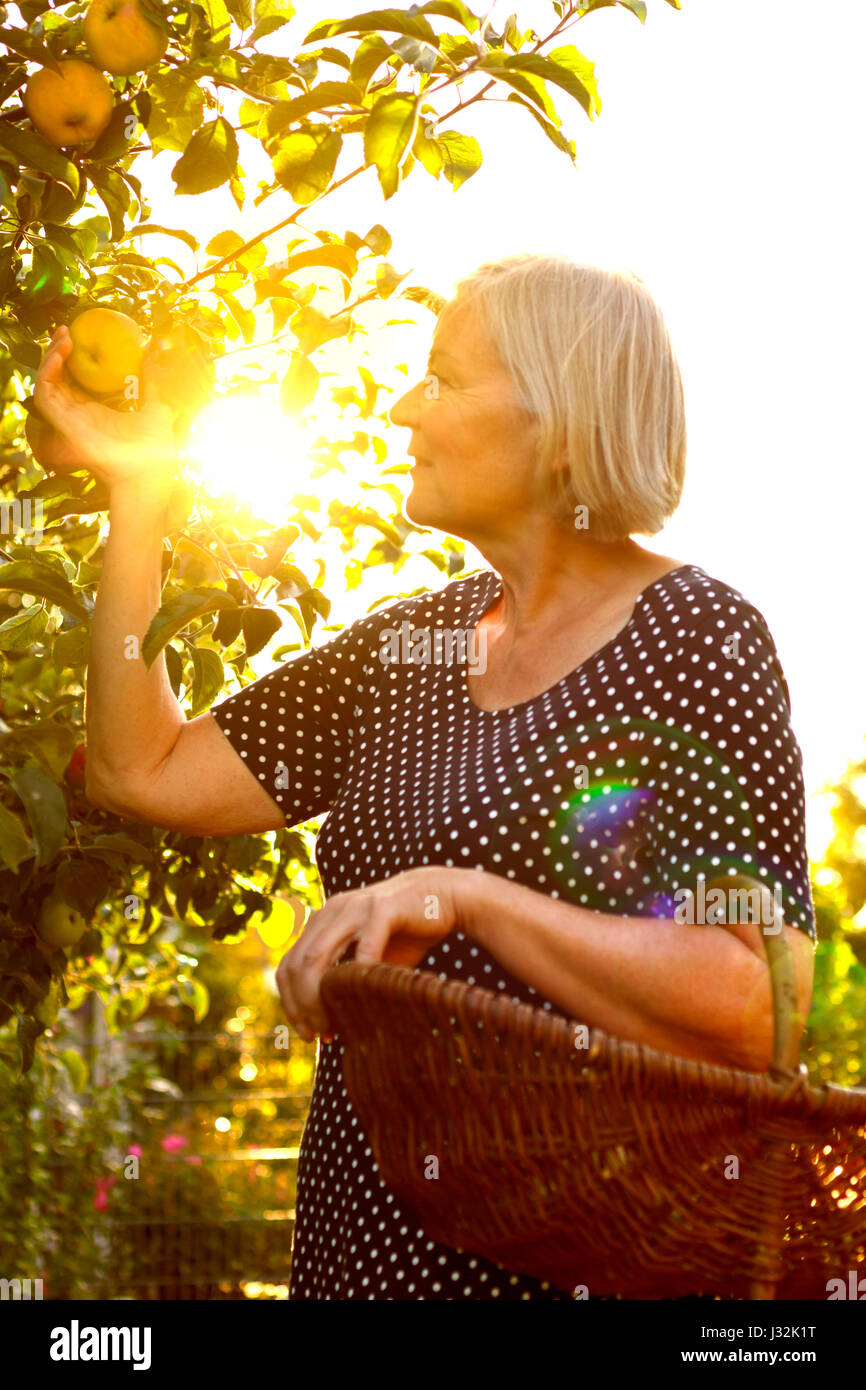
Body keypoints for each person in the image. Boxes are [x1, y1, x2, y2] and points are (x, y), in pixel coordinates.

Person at [33, 254, 816, 1300]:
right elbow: (143, 770)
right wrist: (139, 495)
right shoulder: (416, 641)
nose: (403, 407)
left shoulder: (695, 638)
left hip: (580, 1270)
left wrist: (468, 898)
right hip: (360, 1260)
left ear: (556, 415)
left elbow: (761, 1002)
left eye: (441, 379)